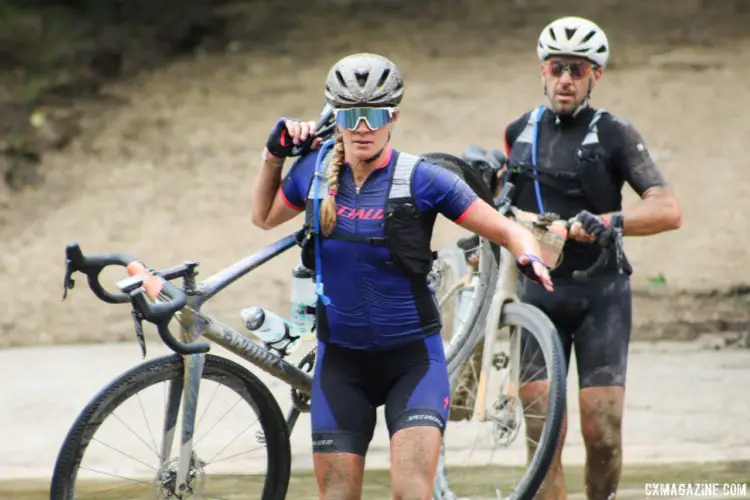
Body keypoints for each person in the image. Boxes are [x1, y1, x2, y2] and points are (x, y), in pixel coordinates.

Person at [251, 52, 554, 500]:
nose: (362, 127)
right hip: (341, 366)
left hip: (412, 364)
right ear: (335, 115)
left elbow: (506, 229)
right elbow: (263, 217)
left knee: (411, 492)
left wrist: (529, 254)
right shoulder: (313, 173)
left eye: (374, 115)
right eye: (350, 115)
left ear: (393, 114)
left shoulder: (422, 179)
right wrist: (273, 156)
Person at [500, 16, 683, 500]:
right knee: (543, 436)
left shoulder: (615, 133)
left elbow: (667, 209)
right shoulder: (519, 130)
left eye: (577, 71)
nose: (565, 79)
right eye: (557, 68)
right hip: (537, 296)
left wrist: (609, 222)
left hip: (600, 295)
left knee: (602, 433)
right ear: (542, 70)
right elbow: (500, 203)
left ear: (594, 77)